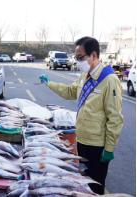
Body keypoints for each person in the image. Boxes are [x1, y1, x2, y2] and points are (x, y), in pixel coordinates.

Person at [39, 37, 123, 194]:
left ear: (93, 55)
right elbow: (70, 91)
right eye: (76, 58)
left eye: (80, 58)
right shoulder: (85, 76)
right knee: (82, 182)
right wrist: (49, 83)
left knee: (95, 186)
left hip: (98, 146)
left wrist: (109, 148)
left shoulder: (109, 80)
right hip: (82, 140)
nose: (77, 62)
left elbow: (115, 118)